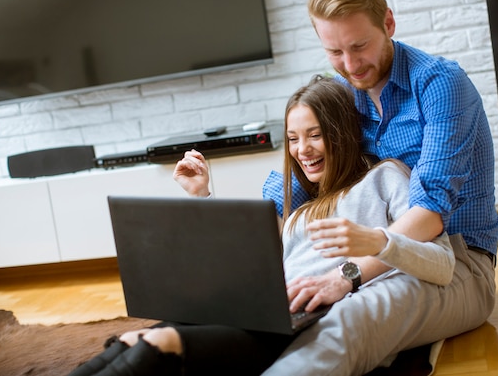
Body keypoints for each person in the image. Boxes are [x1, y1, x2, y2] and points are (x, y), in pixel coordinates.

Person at [67, 75, 455, 376]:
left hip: (298, 318)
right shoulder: (302, 207)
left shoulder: (385, 178)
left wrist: (356, 264)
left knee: (162, 343)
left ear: (343, 133)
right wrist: (202, 195)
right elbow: (248, 265)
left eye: (315, 135)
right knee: (130, 338)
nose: (302, 149)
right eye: (292, 139)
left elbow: (426, 251)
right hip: (261, 306)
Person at [259, 0, 498, 376]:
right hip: (371, 254)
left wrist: (347, 276)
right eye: (334, 52)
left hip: (456, 261)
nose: (350, 65)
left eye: (359, 46)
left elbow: (430, 213)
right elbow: (293, 184)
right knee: (283, 317)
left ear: (388, 22)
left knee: (345, 322)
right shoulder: (345, 93)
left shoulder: (440, 85)